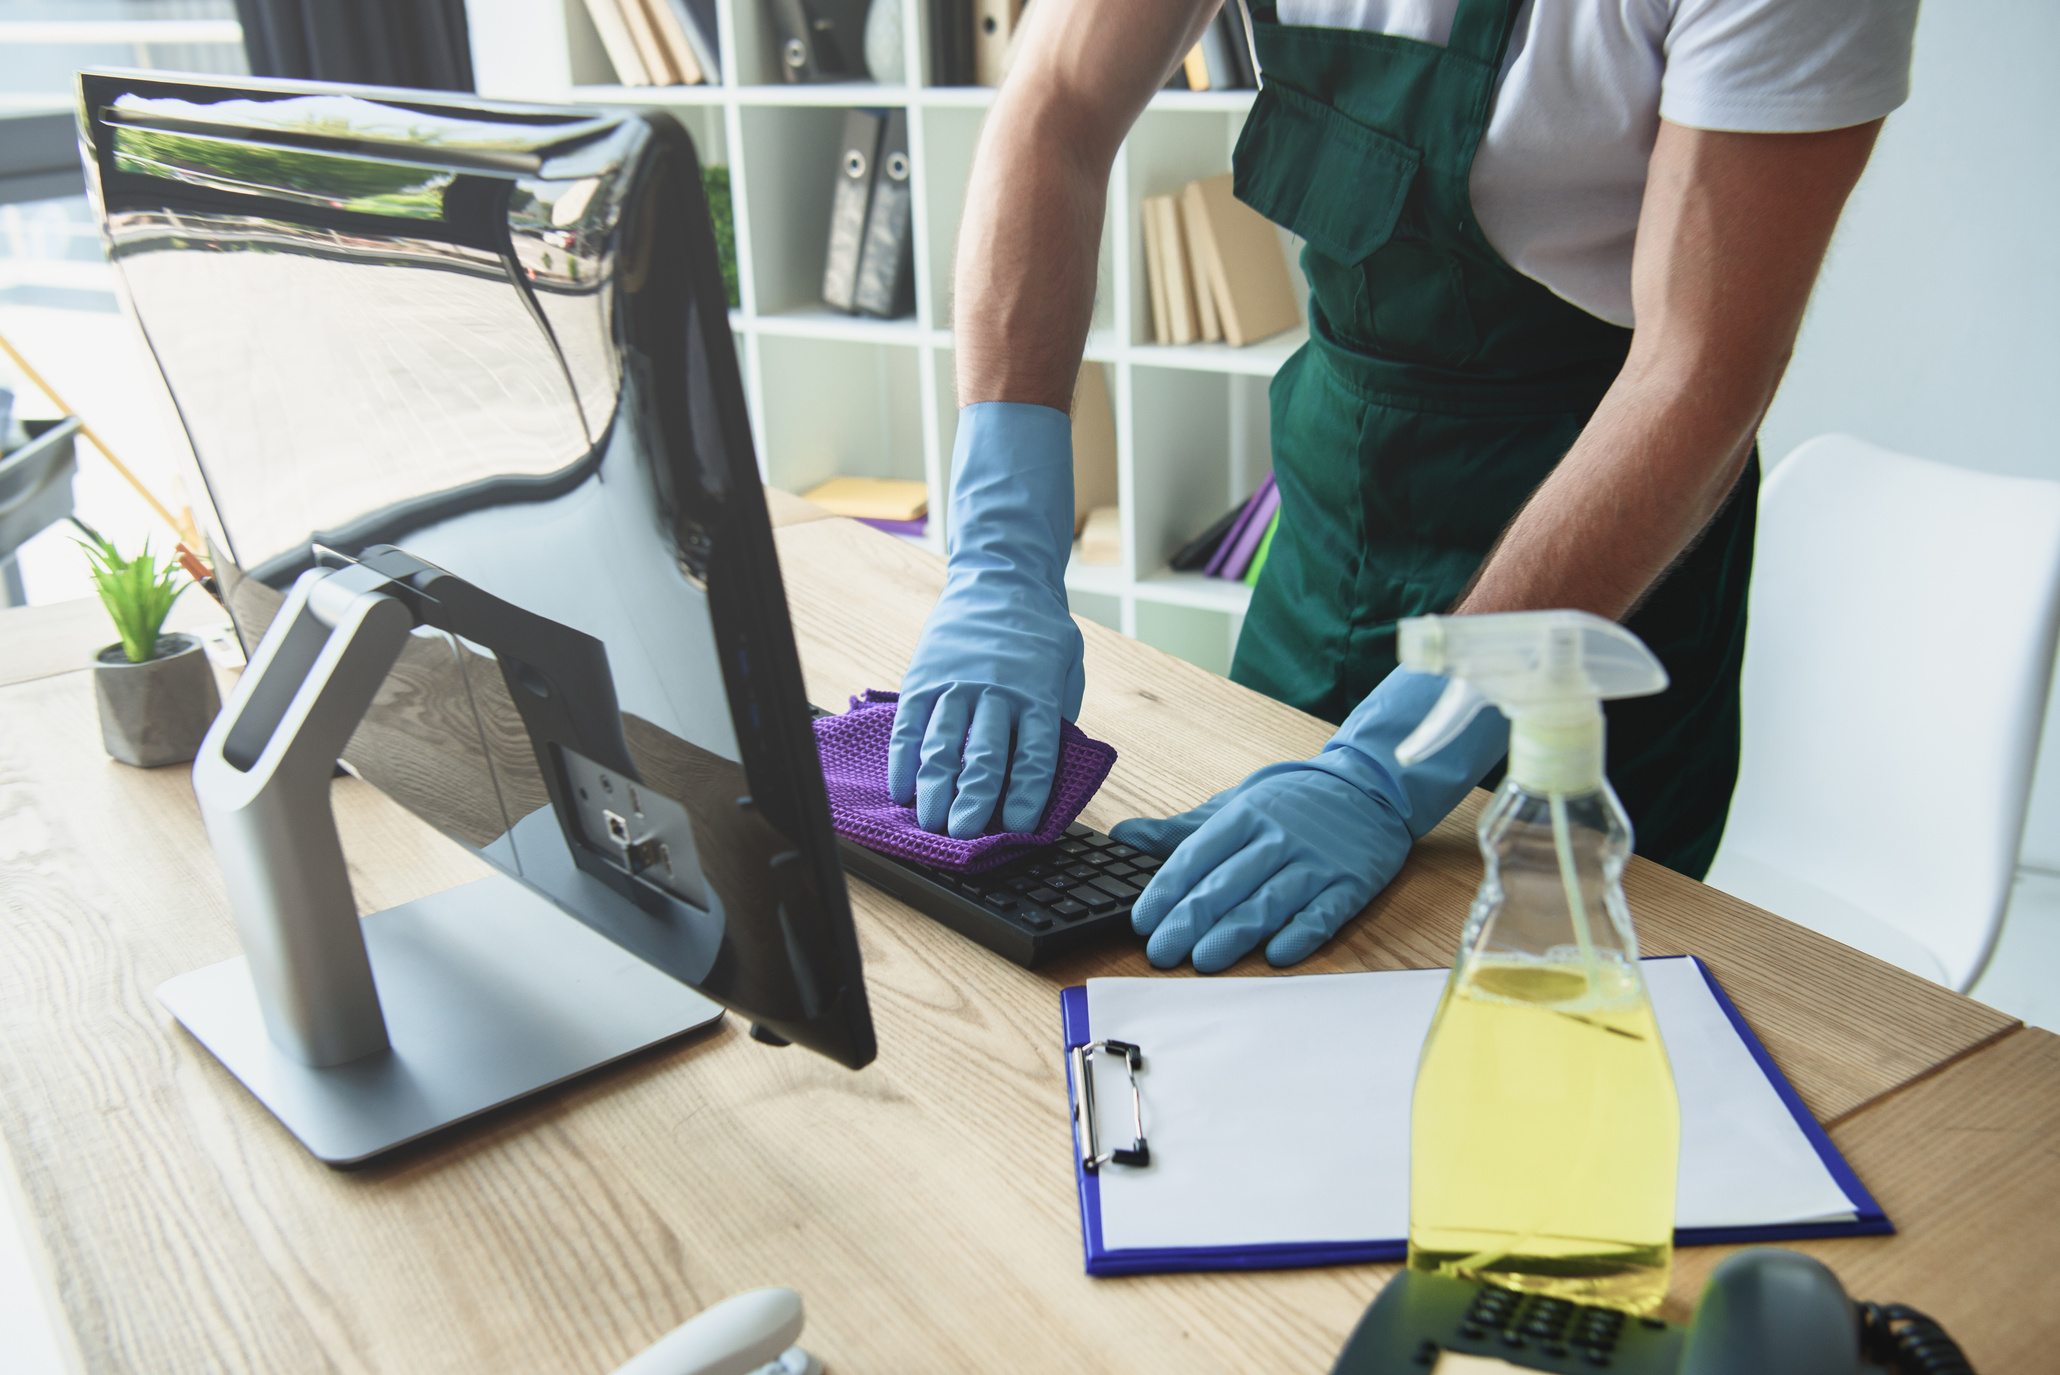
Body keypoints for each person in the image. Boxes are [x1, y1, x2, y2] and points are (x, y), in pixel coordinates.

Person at [889, 0, 1918, 971]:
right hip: (1330, 522)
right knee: (1209, 984)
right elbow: (1053, 106)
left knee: (1528, 1037)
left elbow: (1698, 374)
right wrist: (1000, 555)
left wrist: (1402, 755)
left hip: (1590, 575)